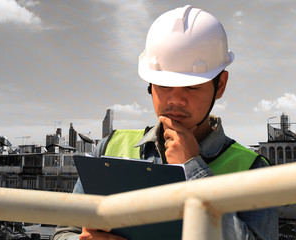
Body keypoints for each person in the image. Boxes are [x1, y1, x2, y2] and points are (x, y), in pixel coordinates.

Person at [53, 5, 278, 240]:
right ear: (149, 84)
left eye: (192, 86)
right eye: (164, 85)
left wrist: (193, 170)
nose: (176, 100)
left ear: (220, 85)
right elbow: (64, 232)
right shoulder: (109, 147)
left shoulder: (252, 170)